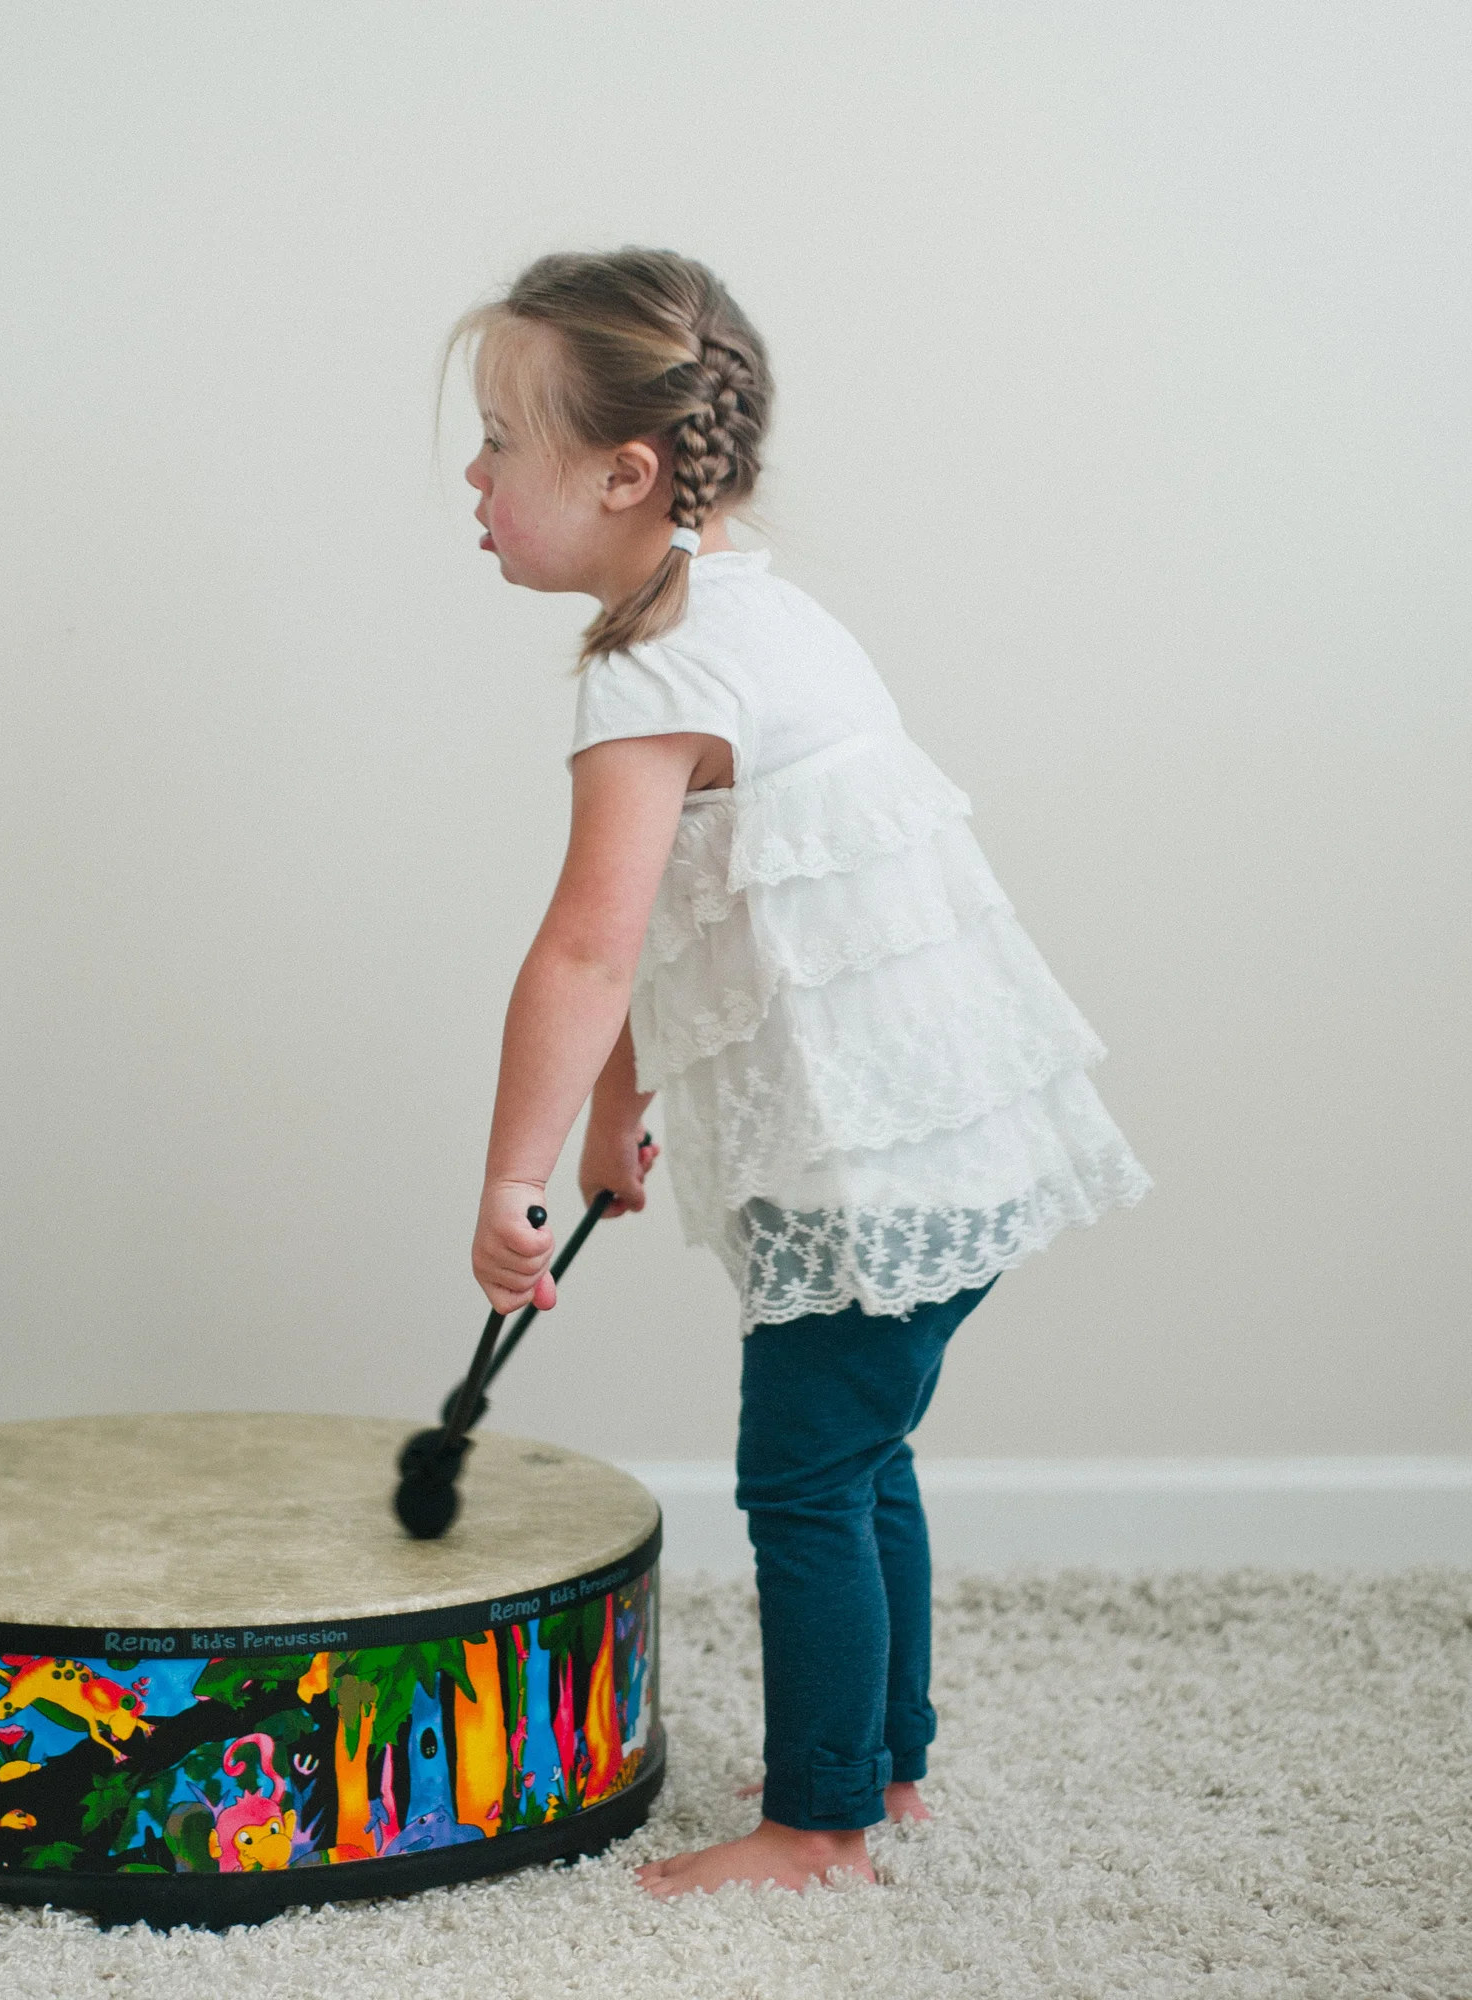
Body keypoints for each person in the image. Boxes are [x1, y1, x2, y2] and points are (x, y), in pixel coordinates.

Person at [452, 250, 1148, 1894]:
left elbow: (585, 948)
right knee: (862, 1453)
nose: (470, 480)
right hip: (951, 1131)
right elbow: (688, 917)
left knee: (802, 1481)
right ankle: (885, 1775)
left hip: (869, 1162)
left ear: (623, 472)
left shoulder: (653, 677)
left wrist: (513, 1175)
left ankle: (819, 1821)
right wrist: (626, 1113)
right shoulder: (756, 609)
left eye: (496, 441)